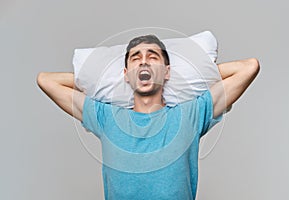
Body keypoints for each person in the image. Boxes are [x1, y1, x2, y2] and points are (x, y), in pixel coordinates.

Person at [37, 34, 260, 199]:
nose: (143, 61)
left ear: (167, 72)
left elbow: (249, 67)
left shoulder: (191, 114)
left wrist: (200, 74)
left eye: (152, 57)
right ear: (125, 75)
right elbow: (46, 80)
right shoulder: (106, 117)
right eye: (135, 58)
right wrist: (93, 82)